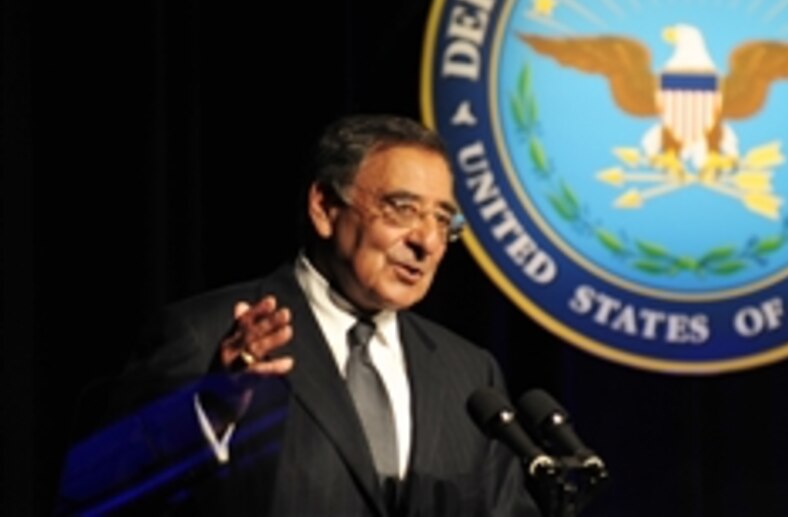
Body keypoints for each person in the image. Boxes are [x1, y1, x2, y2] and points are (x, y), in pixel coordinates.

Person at [57, 114, 541, 516]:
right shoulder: (203, 336)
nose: (427, 242)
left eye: (442, 220)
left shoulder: (469, 376)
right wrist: (210, 413)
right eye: (402, 209)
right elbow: (101, 497)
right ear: (326, 208)